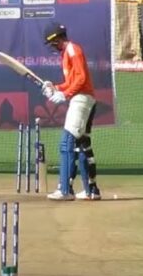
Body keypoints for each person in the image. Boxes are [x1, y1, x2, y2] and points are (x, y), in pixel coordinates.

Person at [41, 23, 102, 201]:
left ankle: (65, 190)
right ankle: (91, 191)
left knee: (66, 142)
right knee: (82, 143)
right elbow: (72, 81)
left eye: (51, 43)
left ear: (56, 39)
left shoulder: (73, 50)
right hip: (81, 97)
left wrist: (65, 94)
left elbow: (82, 78)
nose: (51, 47)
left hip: (82, 98)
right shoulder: (67, 53)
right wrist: (55, 87)